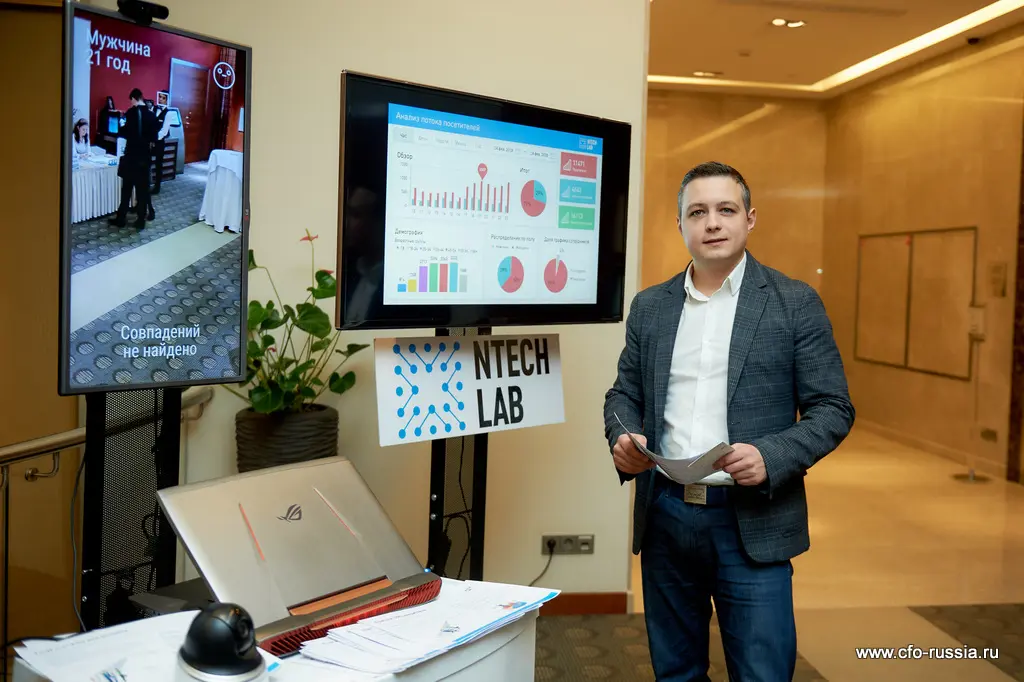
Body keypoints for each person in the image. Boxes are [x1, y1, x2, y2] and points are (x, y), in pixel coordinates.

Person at [603, 161, 855, 681]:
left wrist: (771, 456)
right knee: (675, 671)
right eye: (697, 212)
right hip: (667, 514)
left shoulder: (793, 303)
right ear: (680, 225)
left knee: (762, 672)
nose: (712, 222)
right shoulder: (650, 307)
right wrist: (623, 436)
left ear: (750, 219)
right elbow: (623, 393)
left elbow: (834, 407)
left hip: (752, 519)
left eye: (726, 209)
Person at [109, 88, 157, 228]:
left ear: (134, 99)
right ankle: (141, 220)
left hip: (131, 157)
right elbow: (154, 137)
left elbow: (123, 132)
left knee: (126, 190)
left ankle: (121, 218)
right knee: (142, 191)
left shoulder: (130, 113)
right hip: (144, 158)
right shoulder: (151, 115)